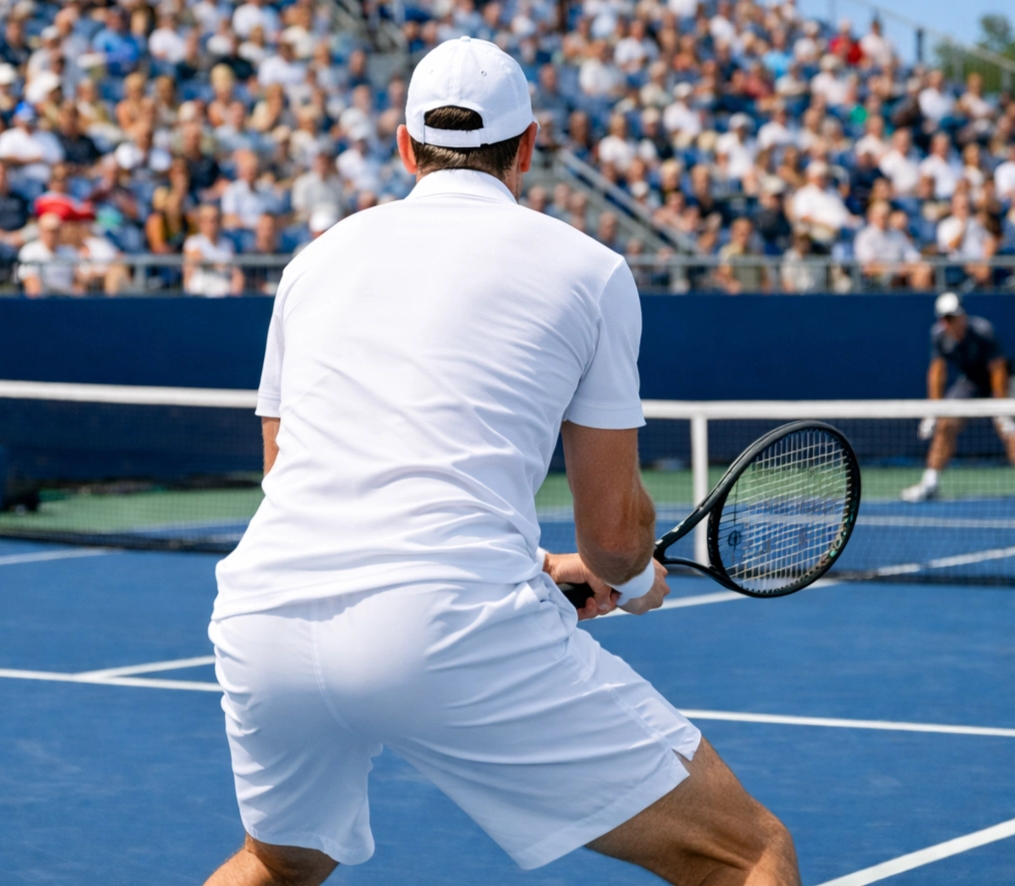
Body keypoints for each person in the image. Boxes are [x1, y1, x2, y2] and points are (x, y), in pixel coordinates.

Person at [205, 38, 798, 886]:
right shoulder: (591, 272)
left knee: (278, 866)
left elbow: (285, 475)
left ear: (406, 148)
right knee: (747, 856)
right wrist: (625, 582)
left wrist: (542, 569)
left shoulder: (312, 264)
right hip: (444, 627)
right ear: (527, 149)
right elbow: (617, 535)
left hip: (263, 618)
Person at [901, 292, 1015, 507]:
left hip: (1001, 382)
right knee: (944, 426)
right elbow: (937, 373)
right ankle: (930, 484)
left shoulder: (983, 331)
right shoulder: (939, 335)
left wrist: (1002, 407)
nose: (950, 322)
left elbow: (998, 370)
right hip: (970, 382)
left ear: (962, 315)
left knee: (1009, 429)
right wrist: (933, 410)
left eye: (953, 317)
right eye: (945, 318)